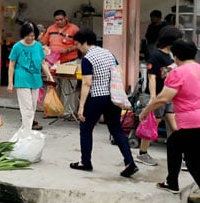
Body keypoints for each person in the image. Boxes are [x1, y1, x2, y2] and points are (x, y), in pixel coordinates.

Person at [69, 28, 139, 178]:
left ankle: (85, 162)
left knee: (86, 128)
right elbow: (119, 71)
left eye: (78, 44)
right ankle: (130, 162)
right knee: (116, 130)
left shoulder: (88, 59)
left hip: (96, 97)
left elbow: (87, 83)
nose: (78, 48)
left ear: (85, 43)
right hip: (112, 97)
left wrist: (81, 106)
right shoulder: (108, 53)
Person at [139, 39, 200, 193]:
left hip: (191, 122)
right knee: (174, 144)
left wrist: (145, 112)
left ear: (176, 56)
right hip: (195, 121)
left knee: (190, 160)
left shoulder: (178, 73)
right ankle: (171, 182)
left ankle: (172, 182)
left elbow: (163, 99)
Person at [135, 26, 183, 166]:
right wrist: (154, 98)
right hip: (159, 97)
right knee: (152, 125)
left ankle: (181, 156)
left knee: (176, 127)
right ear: (171, 41)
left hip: (169, 97)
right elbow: (152, 78)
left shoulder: (171, 55)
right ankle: (142, 153)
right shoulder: (156, 56)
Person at [7, 22, 54, 131]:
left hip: (35, 79)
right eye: (28, 35)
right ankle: (28, 132)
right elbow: (12, 64)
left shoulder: (38, 46)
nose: (30, 38)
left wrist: (49, 76)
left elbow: (43, 62)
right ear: (23, 34)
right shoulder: (17, 46)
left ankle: (25, 129)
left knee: (32, 107)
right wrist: (10, 82)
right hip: (22, 78)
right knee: (27, 107)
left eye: (33, 36)